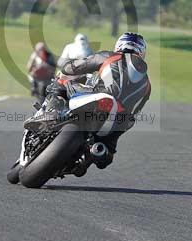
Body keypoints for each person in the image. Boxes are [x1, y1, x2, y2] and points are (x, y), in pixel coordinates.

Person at [38, 32, 151, 169]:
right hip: (118, 119)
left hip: (100, 97)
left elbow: (76, 66)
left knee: (61, 82)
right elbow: (135, 113)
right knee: (107, 153)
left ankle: (51, 111)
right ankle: (99, 152)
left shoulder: (110, 56)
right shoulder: (147, 84)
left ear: (119, 45)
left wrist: (65, 68)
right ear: (141, 51)